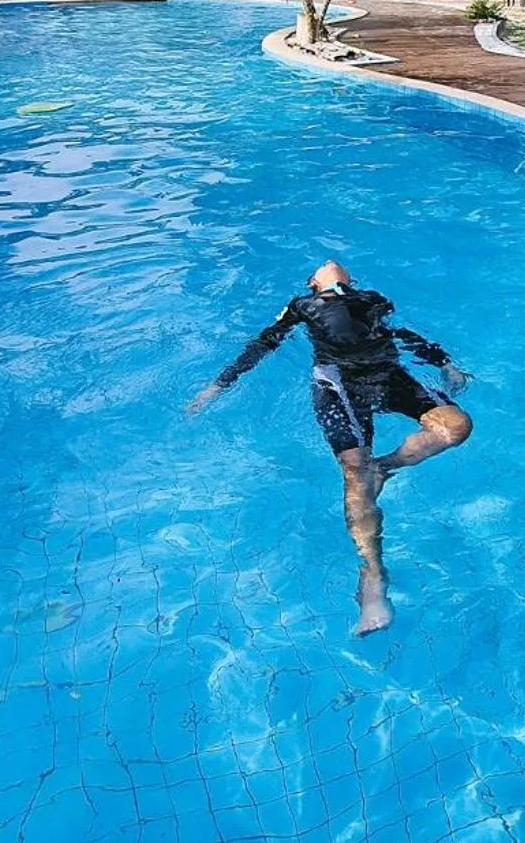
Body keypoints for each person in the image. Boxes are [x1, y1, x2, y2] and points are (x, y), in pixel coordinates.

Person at [190, 261, 472, 635]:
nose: (330, 263)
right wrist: (218, 386)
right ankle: (373, 578)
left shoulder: (371, 299)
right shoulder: (302, 306)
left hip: (387, 376)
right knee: (355, 472)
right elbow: (265, 343)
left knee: (456, 426)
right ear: (313, 282)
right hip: (339, 385)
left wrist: (445, 363)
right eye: (321, 268)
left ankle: (384, 467)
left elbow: (401, 334)